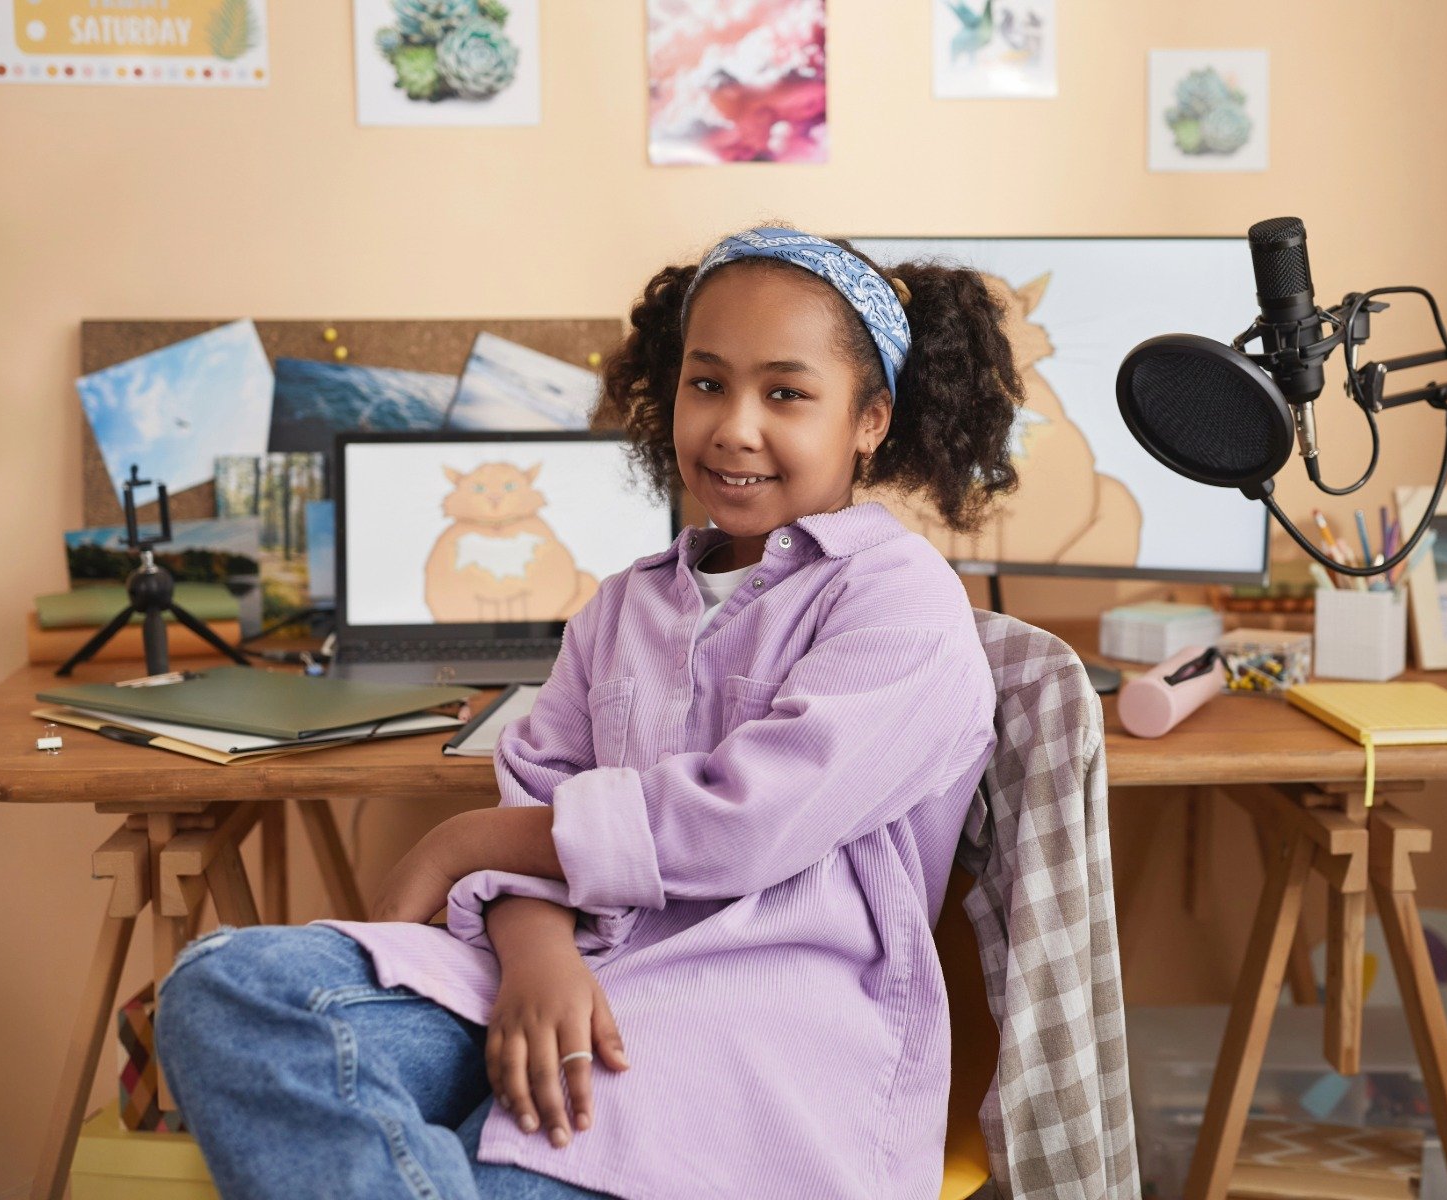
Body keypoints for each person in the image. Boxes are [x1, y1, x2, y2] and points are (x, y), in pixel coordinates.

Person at [154, 225, 1024, 1200]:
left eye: (785, 392)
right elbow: (542, 794)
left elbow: (741, 824)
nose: (735, 425)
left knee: (514, 1133)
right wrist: (536, 954)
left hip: (749, 1034)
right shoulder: (622, 605)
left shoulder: (900, 600)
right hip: (557, 975)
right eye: (707, 383)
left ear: (870, 419)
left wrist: (461, 840)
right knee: (221, 990)